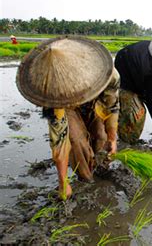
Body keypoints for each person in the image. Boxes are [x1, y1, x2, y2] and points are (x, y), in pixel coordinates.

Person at [16, 36, 119, 200]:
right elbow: (60, 141)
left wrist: (112, 138)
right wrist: (63, 181)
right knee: (77, 140)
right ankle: (87, 179)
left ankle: (101, 168)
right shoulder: (52, 94)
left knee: (101, 135)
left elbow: (111, 107)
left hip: (95, 97)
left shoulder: (109, 75)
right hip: (65, 104)